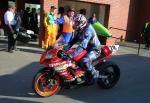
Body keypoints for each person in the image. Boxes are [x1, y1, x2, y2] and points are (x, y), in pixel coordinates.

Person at [64, 14, 101, 84]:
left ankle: (94, 72)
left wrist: (72, 56)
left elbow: (83, 45)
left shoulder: (88, 30)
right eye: (75, 22)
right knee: (74, 59)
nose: (75, 24)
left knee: (84, 61)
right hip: (87, 48)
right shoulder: (81, 28)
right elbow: (74, 40)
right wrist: (65, 48)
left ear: (82, 22)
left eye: (77, 22)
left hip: (95, 49)